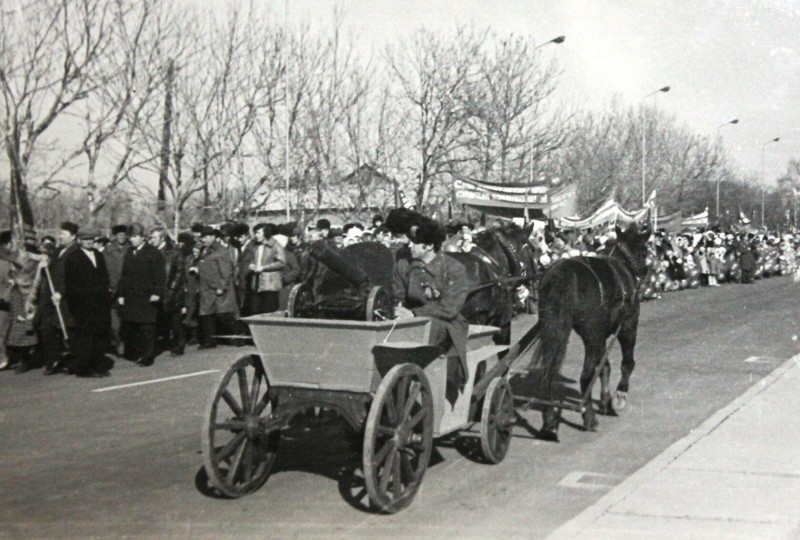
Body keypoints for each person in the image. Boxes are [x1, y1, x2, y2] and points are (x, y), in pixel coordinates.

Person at [393, 220, 469, 405]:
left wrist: (414, 314)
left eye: (414, 243)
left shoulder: (454, 269)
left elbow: (449, 308)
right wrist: (398, 310)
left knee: (424, 332)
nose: (409, 246)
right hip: (410, 321)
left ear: (428, 246)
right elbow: (397, 296)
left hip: (446, 323)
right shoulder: (403, 266)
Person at [64, 229, 113, 376]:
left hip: (100, 304)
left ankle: (98, 365)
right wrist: (77, 306)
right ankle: (84, 368)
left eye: (91, 239)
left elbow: (104, 276)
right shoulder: (73, 258)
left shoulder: (98, 255)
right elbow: (71, 285)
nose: (89, 241)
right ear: (79, 240)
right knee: (86, 338)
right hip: (83, 306)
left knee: (100, 336)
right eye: (85, 239)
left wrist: (106, 294)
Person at [116, 223, 166, 366]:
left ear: (143, 237)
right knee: (134, 326)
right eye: (130, 237)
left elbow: (160, 275)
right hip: (132, 296)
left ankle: (148, 355)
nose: (131, 239)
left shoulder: (153, 253)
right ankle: (137, 352)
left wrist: (157, 292)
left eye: (135, 236)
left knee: (147, 327)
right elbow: (124, 276)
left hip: (147, 296)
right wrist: (121, 294)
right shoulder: (129, 253)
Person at [195, 227, 238, 349]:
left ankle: (237, 335)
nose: (204, 240)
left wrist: (222, 287)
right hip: (206, 287)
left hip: (217, 288)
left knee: (223, 314)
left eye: (206, 237)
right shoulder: (205, 250)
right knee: (207, 314)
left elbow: (226, 271)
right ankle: (209, 340)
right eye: (202, 237)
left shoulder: (221, 250)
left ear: (213, 237)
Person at [149, 227, 185, 356]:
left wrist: (171, 292)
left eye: (154, 238)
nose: (151, 240)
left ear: (162, 238)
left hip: (172, 292)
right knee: (160, 320)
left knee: (174, 321)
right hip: (158, 292)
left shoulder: (174, 253)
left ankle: (179, 345)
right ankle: (163, 342)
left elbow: (179, 274)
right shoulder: (151, 252)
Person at [239, 223, 286, 315]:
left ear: (266, 233)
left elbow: (281, 262)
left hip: (270, 284)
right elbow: (251, 259)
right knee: (254, 310)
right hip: (256, 283)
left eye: (258, 233)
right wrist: (252, 265)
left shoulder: (275, 245)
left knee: (269, 311)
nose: (256, 236)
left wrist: (264, 268)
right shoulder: (255, 246)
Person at [103, 224, 128, 355]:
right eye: (119, 235)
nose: (122, 237)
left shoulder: (130, 249)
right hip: (113, 290)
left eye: (124, 235)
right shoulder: (108, 250)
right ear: (115, 236)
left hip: (127, 290)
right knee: (114, 321)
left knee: (127, 320)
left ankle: (127, 342)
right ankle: (118, 342)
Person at [0, 231, 17, 370]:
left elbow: (11, 283)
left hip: (4, 300)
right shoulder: (6, 263)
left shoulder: (6, 263)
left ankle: (4, 357)